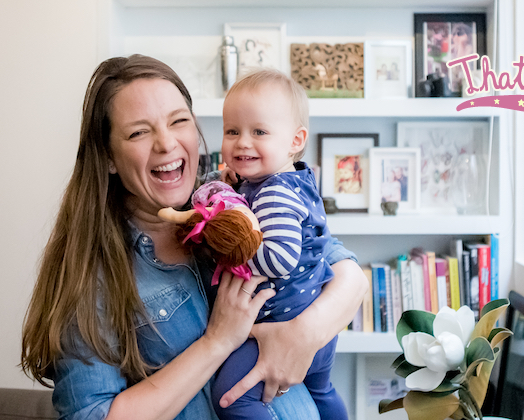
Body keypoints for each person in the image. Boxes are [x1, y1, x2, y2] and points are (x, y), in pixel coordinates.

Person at [19, 55, 367, 420]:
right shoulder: (91, 274)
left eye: (178, 121)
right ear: (108, 157)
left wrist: (301, 336)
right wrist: (217, 342)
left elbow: (350, 275)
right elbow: (92, 415)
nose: (166, 143)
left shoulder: (231, 204)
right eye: (139, 132)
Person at [210, 68, 347, 420]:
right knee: (322, 391)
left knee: (230, 397)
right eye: (232, 131)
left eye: (259, 132)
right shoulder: (289, 179)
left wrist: (229, 253)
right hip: (311, 320)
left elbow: (279, 258)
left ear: (295, 140)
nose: (242, 142)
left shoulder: (274, 193)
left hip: (285, 324)